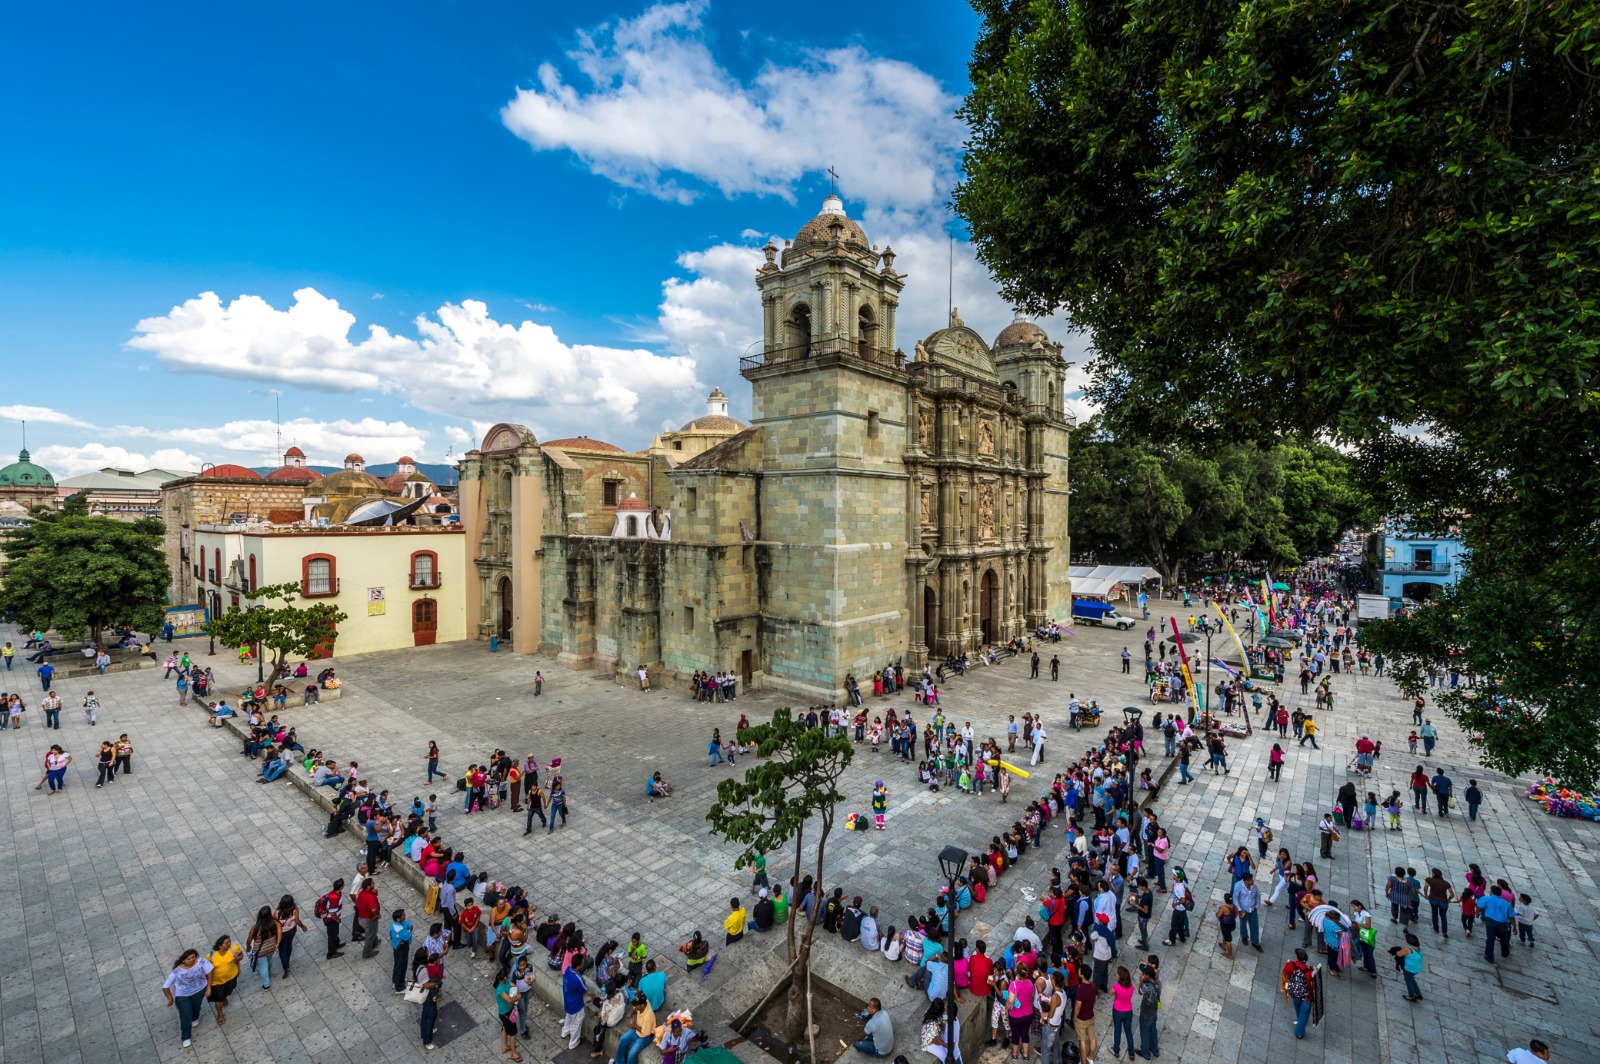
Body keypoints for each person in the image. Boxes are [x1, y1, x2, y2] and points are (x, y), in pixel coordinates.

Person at [162, 949, 215, 1048]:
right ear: (183, 960)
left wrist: (208, 988)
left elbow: (210, 971)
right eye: (188, 959)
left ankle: (195, 1018)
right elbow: (165, 986)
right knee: (185, 1015)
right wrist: (170, 998)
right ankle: (186, 1037)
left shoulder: (202, 962)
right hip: (182, 995)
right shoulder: (177, 971)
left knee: (196, 1007)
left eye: (193, 957)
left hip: (199, 990)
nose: (191, 960)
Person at [1281, 948, 1314, 1039]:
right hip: (1307, 996)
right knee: (1305, 1013)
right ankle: (1299, 1032)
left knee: (1298, 1008)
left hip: (1295, 993)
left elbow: (1285, 973)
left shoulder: (1290, 965)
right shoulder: (1309, 973)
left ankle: (1300, 1020)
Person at [246, 905, 281, 988]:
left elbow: (249, 939)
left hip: (260, 950)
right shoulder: (275, 923)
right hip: (271, 947)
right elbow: (279, 933)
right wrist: (277, 944)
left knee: (263, 966)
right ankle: (268, 971)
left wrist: (248, 947)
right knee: (269, 959)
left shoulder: (255, 928)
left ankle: (266, 984)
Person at [1136, 960, 1162, 1060]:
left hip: (1146, 1012)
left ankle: (1145, 1053)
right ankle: (1155, 1050)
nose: (1142, 974)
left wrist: (1141, 981)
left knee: (1145, 1031)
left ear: (1147, 975)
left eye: (1143, 973)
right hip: (1154, 1011)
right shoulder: (1158, 983)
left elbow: (1140, 992)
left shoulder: (1146, 986)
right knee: (1153, 1029)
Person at [1071, 967, 1097, 1063]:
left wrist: (1075, 1016)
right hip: (1090, 1016)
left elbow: (1078, 1005)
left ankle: (1083, 1062)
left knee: (1082, 1041)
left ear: (1082, 975)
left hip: (1081, 1018)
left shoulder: (1080, 989)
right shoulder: (1093, 986)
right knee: (1092, 1038)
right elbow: (1094, 999)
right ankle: (1090, 1057)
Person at [1393, 932, 1425, 1001]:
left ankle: (1411, 996)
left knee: (1409, 982)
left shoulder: (1408, 949)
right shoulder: (1419, 949)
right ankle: (1418, 993)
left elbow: (1399, 954)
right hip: (1416, 969)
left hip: (1409, 969)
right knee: (1411, 980)